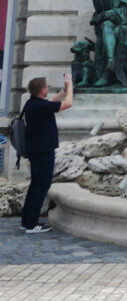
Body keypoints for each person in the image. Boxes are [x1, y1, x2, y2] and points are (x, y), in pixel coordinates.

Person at [20, 73, 73, 234]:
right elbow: (68, 104)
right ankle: (32, 224)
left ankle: (26, 220)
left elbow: (52, 102)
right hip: (43, 151)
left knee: (35, 185)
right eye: (46, 87)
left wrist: (63, 91)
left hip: (35, 151)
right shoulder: (39, 106)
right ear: (42, 90)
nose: (48, 88)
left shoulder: (32, 103)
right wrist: (70, 87)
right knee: (42, 186)